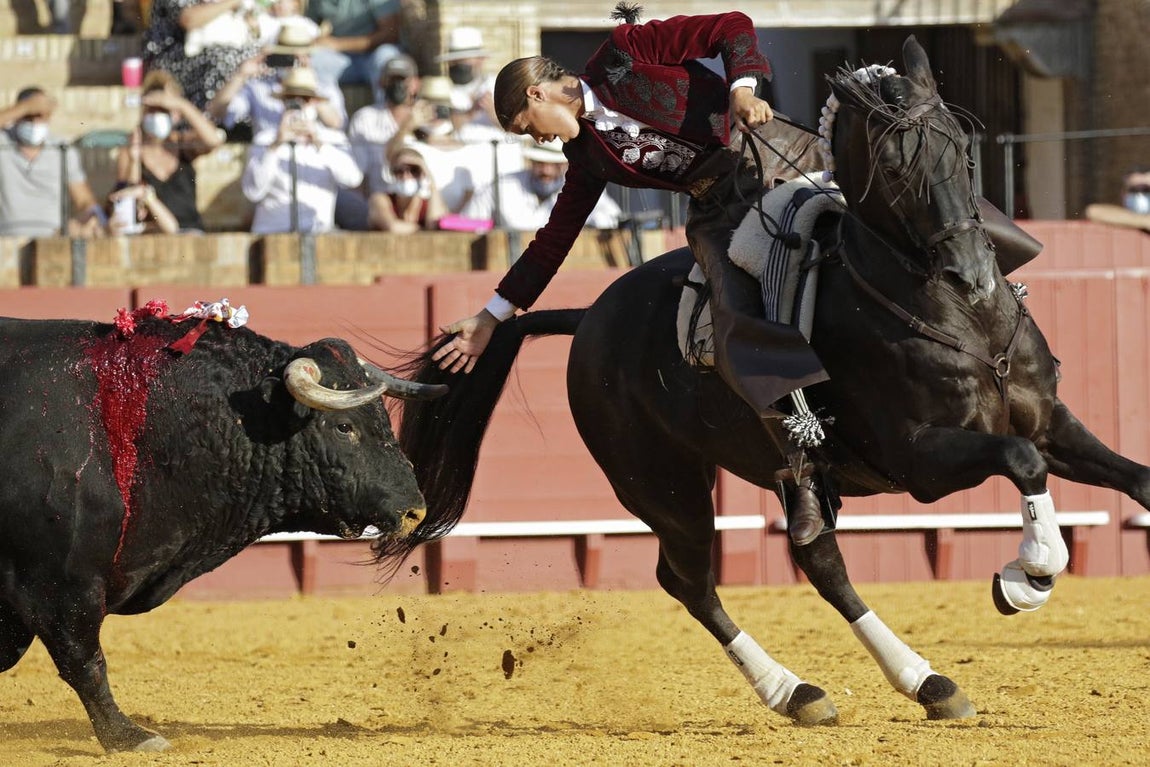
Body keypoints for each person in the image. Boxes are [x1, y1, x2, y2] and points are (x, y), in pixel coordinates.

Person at [430, 9, 833, 546]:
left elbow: (731, 24)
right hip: (719, 209)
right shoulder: (588, 160)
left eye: (528, 128)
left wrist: (741, 88)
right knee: (731, 312)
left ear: (536, 96)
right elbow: (552, 242)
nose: (538, 141)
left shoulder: (625, 52)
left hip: (781, 155)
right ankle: (803, 469)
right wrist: (491, 316)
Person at [241, 67, 363, 233]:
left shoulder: (333, 139)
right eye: (291, 98)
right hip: (272, 232)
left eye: (304, 99)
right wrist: (276, 146)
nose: (298, 104)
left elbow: (353, 179)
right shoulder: (265, 139)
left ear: (314, 102)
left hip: (317, 232)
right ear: (283, 101)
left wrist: (319, 143)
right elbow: (253, 191)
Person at [110, 70, 225, 234]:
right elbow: (127, 193)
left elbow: (214, 141)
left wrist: (182, 105)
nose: (157, 115)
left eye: (163, 109)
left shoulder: (182, 143)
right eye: (153, 109)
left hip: (191, 231)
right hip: (153, 233)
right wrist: (134, 158)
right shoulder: (132, 148)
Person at [207, 22, 348, 139]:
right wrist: (240, 75)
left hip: (313, 158)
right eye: (288, 55)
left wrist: (309, 89)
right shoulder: (259, 87)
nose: (294, 61)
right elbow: (219, 114)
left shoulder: (324, 84)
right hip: (272, 156)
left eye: (301, 55)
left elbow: (338, 124)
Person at [0, 88, 107, 237]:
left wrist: (93, 217)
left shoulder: (61, 148)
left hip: (52, 236)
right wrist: (25, 106)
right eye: (29, 116)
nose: (35, 122)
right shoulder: (4, 143)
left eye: (40, 116)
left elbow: (83, 200)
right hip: (7, 238)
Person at [337, 53, 421, 230]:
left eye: (402, 79)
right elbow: (359, 176)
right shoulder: (365, 118)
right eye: (392, 79)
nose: (397, 85)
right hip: (380, 204)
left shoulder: (429, 117)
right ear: (381, 82)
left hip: (422, 203)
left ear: (415, 84)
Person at [474, 138, 622, 231]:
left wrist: (591, 220)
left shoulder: (583, 187)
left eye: (553, 164)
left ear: (565, 165)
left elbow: (612, 218)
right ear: (530, 162)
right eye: (540, 163)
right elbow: (470, 221)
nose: (546, 171)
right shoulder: (503, 185)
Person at [143, 0, 264, 110]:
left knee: (260, 60)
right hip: (177, 60)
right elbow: (189, 19)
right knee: (226, 62)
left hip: (222, 49)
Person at [305, 0, 404, 104]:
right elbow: (307, 26)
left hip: (374, 55)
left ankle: (387, 115)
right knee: (311, 62)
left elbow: (390, 33)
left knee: (387, 59)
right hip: (341, 60)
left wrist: (338, 44)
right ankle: (332, 117)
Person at [436, 26, 503, 143]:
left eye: (464, 60)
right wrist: (470, 113)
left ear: (480, 59)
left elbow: (519, 128)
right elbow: (439, 129)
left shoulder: (499, 85)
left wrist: (493, 113)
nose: (458, 64)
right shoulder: (440, 89)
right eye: (455, 61)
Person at [367, 144, 447, 232]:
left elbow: (435, 224)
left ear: (422, 174)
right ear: (393, 174)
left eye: (414, 170)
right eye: (400, 170)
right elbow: (392, 227)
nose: (406, 176)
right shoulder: (381, 199)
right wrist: (424, 230)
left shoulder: (428, 205)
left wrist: (432, 185)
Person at [1086, 166, 1150, 231]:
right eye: (1136, 189)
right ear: (1123, 193)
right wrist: (1144, 221)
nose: (1142, 194)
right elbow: (1093, 211)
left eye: (1147, 189)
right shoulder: (1120, 214)